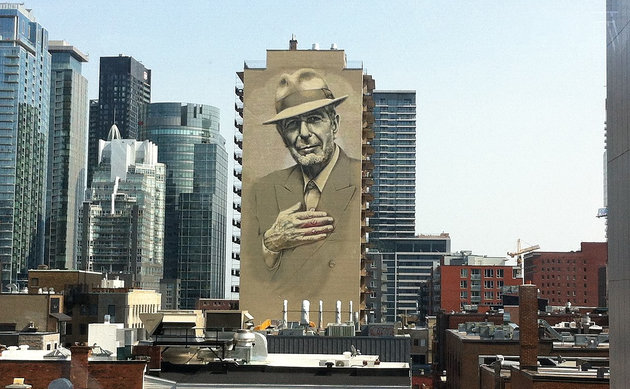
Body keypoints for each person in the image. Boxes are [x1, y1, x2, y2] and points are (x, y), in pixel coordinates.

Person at [244, 68, 361, 298]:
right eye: (292, 125)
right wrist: (270, 244)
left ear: (334, 124)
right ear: (281, 134)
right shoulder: (263, 189)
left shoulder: (361, 177)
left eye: (314, 119)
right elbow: (253, 273)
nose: (304, 133)